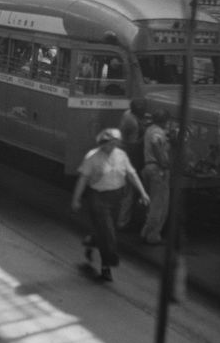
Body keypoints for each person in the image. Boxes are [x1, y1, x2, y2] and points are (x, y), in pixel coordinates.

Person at [71, 128, 150, 282]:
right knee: (108, 232)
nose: (110, 147)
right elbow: (83, 180)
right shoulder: (92, 157)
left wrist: (143, 192)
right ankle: (107, 265)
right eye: (107, 144)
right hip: (98, 197)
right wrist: (76, 199)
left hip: (116, 196)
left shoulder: (121, 156)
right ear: (101, 144)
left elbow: (131, 174)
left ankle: (91, 240)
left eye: (114, 143)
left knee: (108, 229)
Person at [139, 110, 172, 246]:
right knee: (159, 205)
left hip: (148, 168)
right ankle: (151, 235)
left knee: (153, 204)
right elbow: (156, 143)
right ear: (164, 121)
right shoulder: (157, 132)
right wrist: (164, 163)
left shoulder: (150, 129)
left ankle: (146, 233)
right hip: (157, 170)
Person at [117, 98, 148, 229]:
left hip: (123, 154)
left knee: (126, 191)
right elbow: (134, 144)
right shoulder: (133, 123)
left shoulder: (127, 113)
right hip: (129, 156)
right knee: (129, 193)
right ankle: (122, 222)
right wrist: (146, 134)